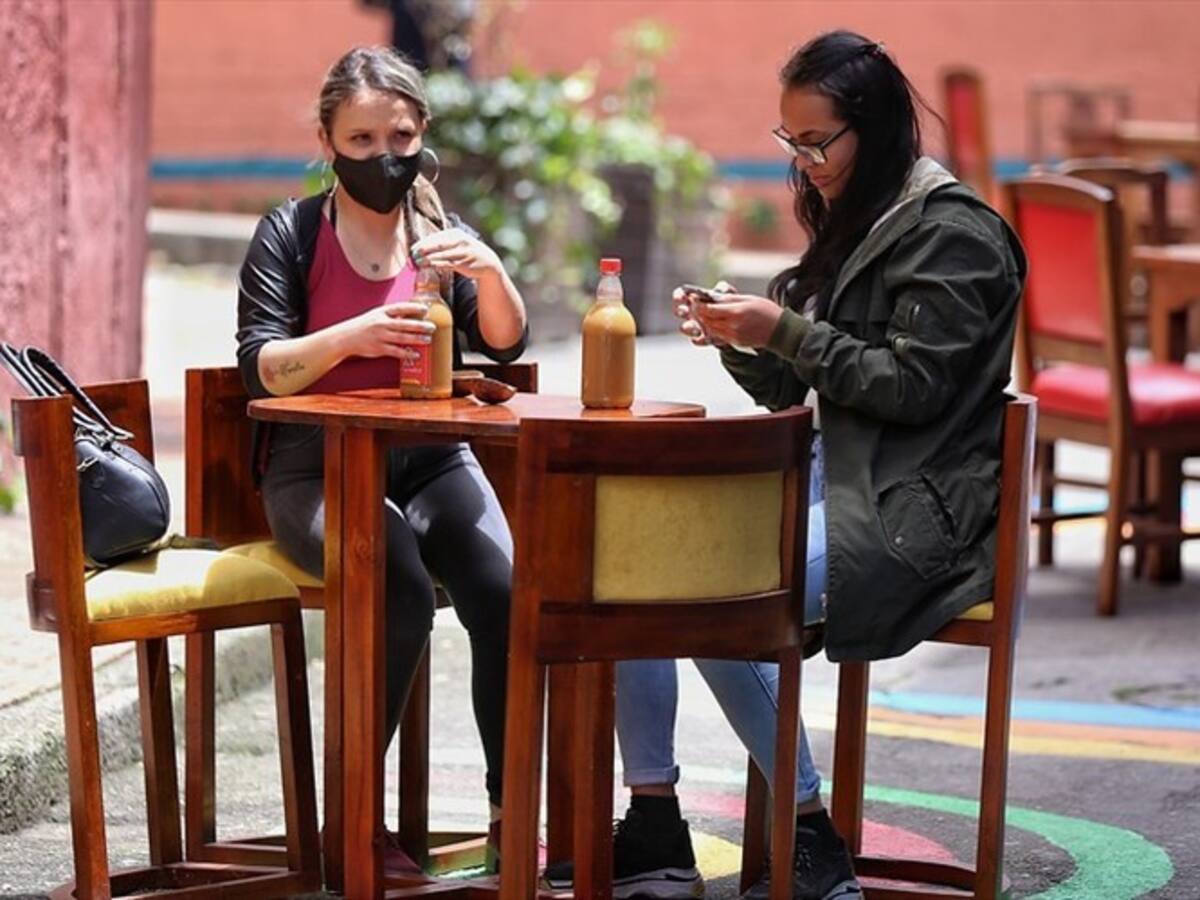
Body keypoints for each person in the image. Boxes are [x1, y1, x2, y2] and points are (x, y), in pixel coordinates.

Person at [542, 30, 1026, 900]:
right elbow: (797, 387)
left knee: (719, 596)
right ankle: (654, 823)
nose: (803, 164)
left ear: (871, 130)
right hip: (832, 490)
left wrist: (789, 330)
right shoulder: (859, 214)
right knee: (629, 574)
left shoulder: (957, 236)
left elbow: (913, 389)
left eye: (815, 142)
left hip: (918, 514)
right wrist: (744, 338)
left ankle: (809, 839)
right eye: (789, 143)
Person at [235, 45, 527, 868]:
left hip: (432, 457)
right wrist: (354, 336)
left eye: (397, 137)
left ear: (422, 133)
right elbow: (257, 363)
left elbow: (505, 347)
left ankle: (510, 813)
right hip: (313, 467)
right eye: (360, 141)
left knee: (506, 591)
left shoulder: (440, 237)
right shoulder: (290, 234)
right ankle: (353, 821)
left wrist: (494, 273)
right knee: (395, 583)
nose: (381, 158)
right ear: (327, 142)